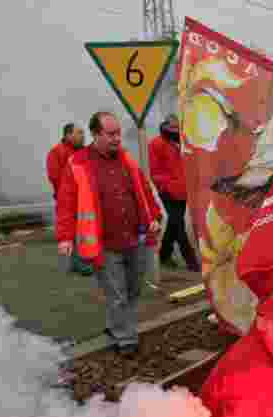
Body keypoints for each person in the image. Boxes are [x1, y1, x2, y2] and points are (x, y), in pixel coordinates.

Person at [56, 111, 163, 356]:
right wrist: (64, 237)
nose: (117, 139)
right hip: (104, 243)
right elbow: (66, 203)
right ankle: (126, 338)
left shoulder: (127, 159)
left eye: (118, 134)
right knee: (116, 293)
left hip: (135, 238)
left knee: (133, 289)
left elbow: (144, 190)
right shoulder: (78, 163)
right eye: (111, 134)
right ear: (95, 135)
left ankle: (117, 326)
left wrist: (154, 216)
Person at [149, 113, 200, 272]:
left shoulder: (182, 142)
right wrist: (165, 186)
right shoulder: (156, 143)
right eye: (172, 127)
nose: (175, 130)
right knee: (179, 225)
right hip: (168, 191)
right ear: (165, 126)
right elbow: (155, 171)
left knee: (173, 223)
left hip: (182, 190)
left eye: (177, 127)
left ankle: (164, 255)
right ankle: (191, 262)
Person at [47, 123, 92, 275]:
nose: (83, 136)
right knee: (73, 230)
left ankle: (82, 261)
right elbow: (55, 176)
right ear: (68, 135)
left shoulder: (83, 152)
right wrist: (67, 193)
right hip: (69, 197)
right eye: (79, 133)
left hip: (83, 197)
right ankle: (79, 263)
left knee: (84, 229)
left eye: (83, 133)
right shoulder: (57, 152)